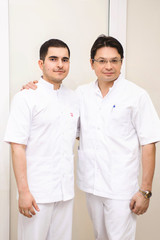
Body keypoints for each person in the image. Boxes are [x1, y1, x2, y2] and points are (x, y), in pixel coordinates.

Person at [22, 35, 160, 240]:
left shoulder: (136, 96)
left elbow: (148, 143)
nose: (108, 66)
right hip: (91, 186)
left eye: (114, 60)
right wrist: (35, 91)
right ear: (91, 63)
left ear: (121, 62)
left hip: (121, 190)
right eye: (102, 61)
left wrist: (145, 191)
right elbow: (67, 127)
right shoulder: (80, 95)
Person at [4, 39, 78, 240]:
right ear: (41, 63)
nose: (60, 64)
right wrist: (23, 192)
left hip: (65, 193)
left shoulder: (74, 98)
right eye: (53, 59)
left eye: (65, 59)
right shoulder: (26, 97)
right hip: (37, 194)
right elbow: (17, 147)